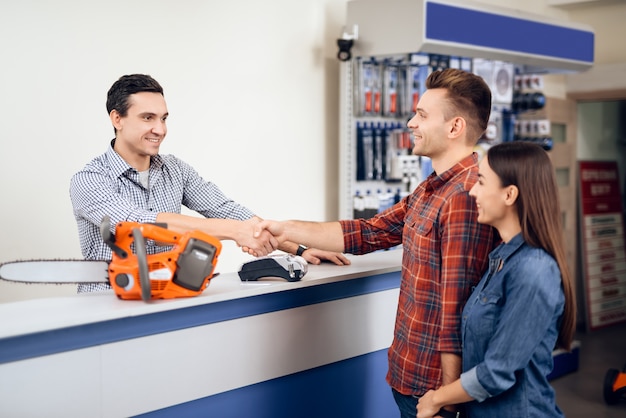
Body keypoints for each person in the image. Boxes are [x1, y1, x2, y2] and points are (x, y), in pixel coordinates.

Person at [254, 68, 498, 418]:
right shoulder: (431, 189)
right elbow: (368, 232)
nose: (411, 123)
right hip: (409, 372)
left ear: (455, 127)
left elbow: (456, 307)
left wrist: (447, 396)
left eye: (422, 115)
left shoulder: (462, 195)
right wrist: (284, 229)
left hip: (433, 387)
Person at [70, 74, 348, 291]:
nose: (161, 129)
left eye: (164, 118)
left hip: (164, 300)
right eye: (148, 118)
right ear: (117, 118)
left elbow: (226, 210)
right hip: (106, 309)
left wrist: (299, 247)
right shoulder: (90, 181)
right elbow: (140, 225)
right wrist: (235, 231)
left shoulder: (174, 169)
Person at [416, 141, 576, 418]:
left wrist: (436, 399)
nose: (472, 190)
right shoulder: (501, 258)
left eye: (481, 181)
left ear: (509, 194)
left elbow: (496, 373)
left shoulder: (534, 270)